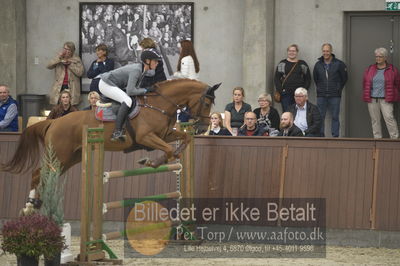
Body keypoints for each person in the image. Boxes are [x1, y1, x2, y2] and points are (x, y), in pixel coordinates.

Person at [99, 48, 161, 142]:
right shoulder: (137, 70)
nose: (157, 63)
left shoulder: (142, 70)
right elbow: (131, 91)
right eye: (155, 61)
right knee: (127, 100)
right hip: (105, 84)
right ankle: (117, 132)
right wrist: (146, 90)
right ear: (148, 61)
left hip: (113, 84)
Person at [363, 47, 400, 139]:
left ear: (385, 58)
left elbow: (397, 84)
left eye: (380, 56)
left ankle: (395, 139)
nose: (378, 58)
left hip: (386, 99)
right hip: (372, 99)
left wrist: (394, 95)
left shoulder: (392, 70)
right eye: (376, 56)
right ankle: (377, 139)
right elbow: (365, 83)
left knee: (389, 118)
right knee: (375, 120)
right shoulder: (370, 69)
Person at [313, 43, 348, 137]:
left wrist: (337, 88)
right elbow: (316, 79)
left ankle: (335, 136)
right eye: (324, 51)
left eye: (327, 51)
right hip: (321, 95)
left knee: (335, 116)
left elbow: (344, 78)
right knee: (320, 117)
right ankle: (320, 136)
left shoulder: (339, 64)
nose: (326, 53)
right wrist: (320, 88)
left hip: (335, 95)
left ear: (331, 51)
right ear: (322, 51)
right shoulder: (318, 64)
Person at [274, 44, 311, 112]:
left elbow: (308, 79)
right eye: (290, 51)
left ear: (297, 52)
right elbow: (277, 78)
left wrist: (303, 91)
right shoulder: (282, 63)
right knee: (287, 113)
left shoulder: (302, 64)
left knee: (299, 112)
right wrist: (281, 91)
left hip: (299, 94)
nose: (292, 52)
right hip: (286, 94)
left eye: (294, 51)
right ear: (287, 52)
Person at [47, 41, 84, 106]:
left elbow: (80, 72)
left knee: (71, 106)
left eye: (68, 49)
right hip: (60, 86)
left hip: (72, 87)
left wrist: (70, 65)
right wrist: (59, 58)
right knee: (58, 106)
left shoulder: (76, 59)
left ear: (72, 51)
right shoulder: (59, 58)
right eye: (64, 49)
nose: (66, 51)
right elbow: (49, 66)